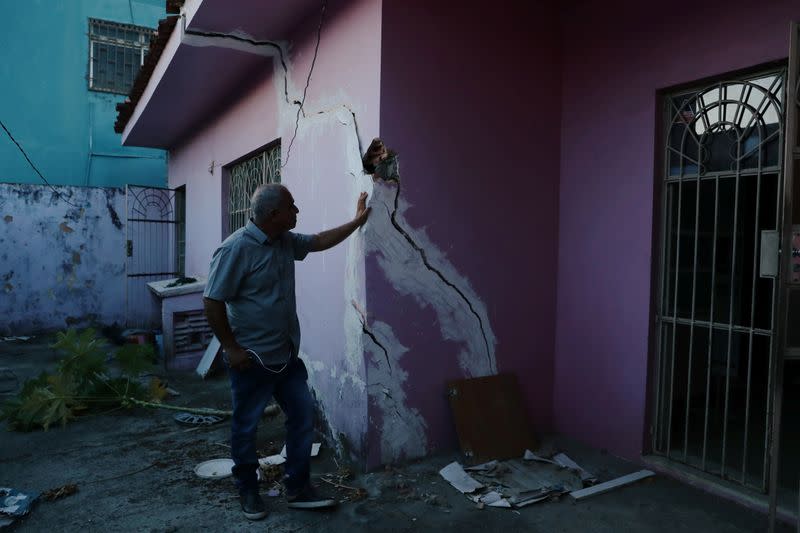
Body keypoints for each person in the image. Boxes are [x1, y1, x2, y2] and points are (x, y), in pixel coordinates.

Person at [203, 183, 370, 520]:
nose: (297, 212)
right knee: (246, 427)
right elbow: (212, 299)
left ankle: (297, 487)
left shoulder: (284, 241)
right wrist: (231, 348)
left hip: (286, 355)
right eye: (292, 207)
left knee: (303, 417)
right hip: (252, 359)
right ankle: (248, 491)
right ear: (273, 214)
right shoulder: (235, 249)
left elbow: (320, 241)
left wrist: (358, 220)